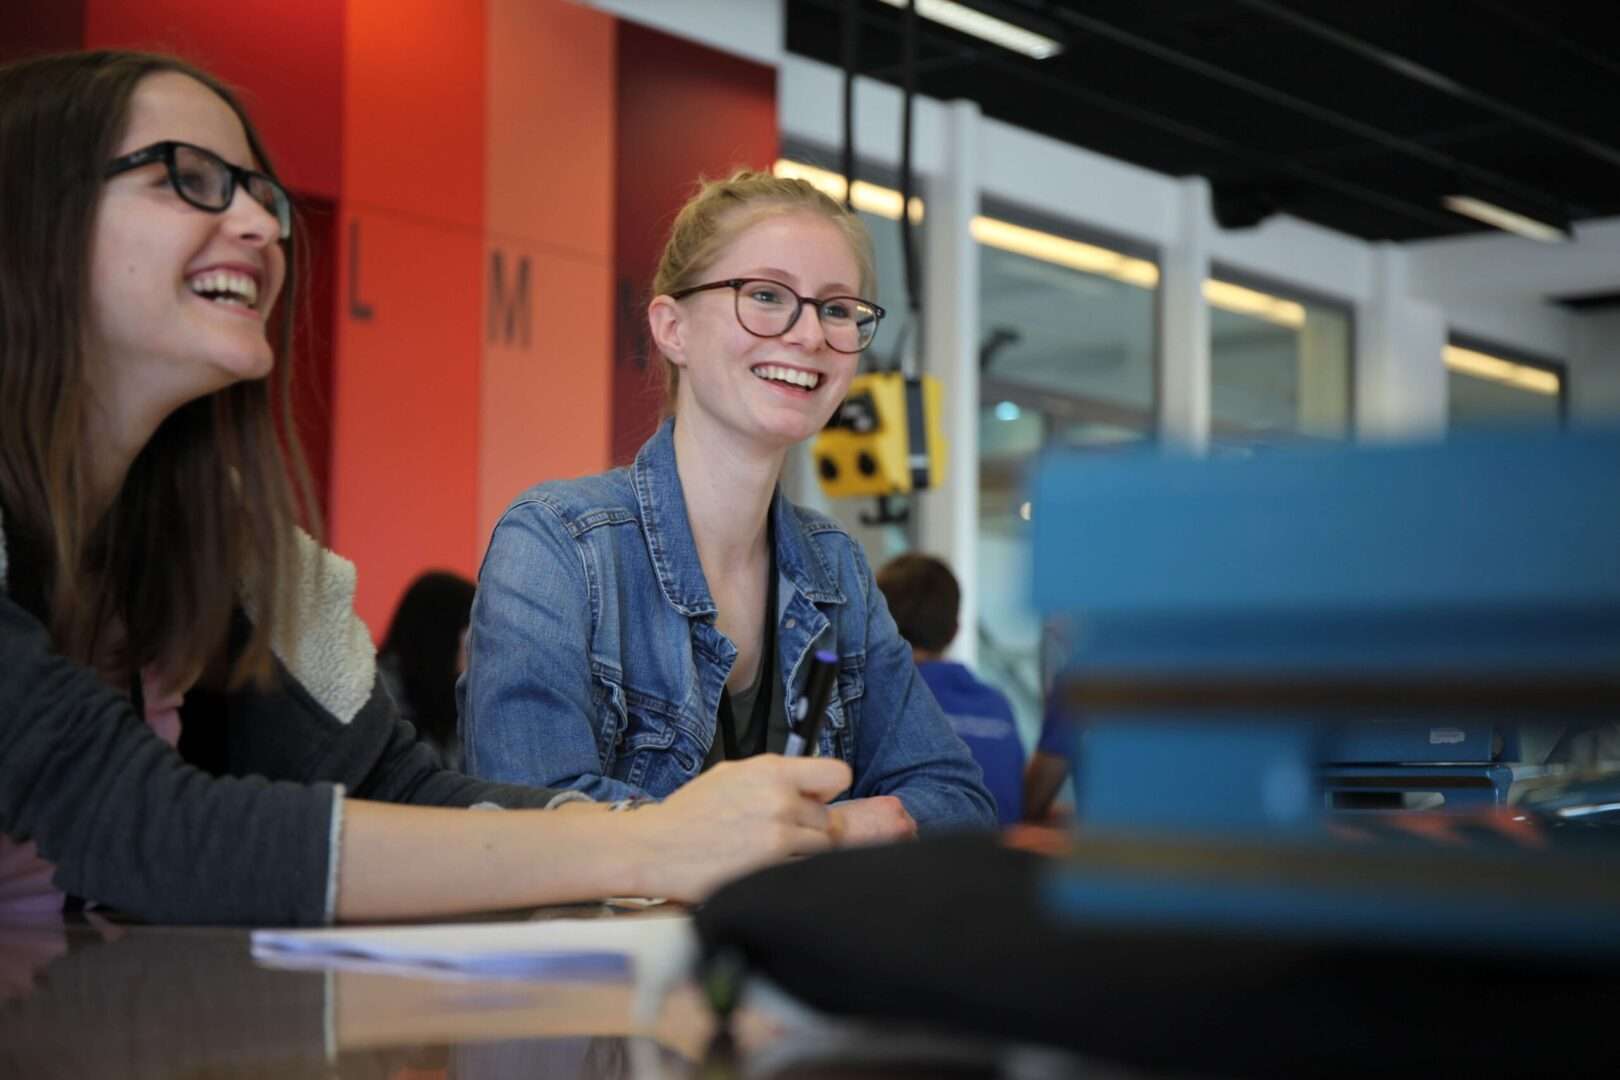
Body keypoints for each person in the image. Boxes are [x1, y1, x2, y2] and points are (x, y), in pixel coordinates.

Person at [0, 50, 851, 927]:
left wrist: (696, 835)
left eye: (259, 193)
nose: (258, 223)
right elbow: (143, 824)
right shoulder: (559, 533)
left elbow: (388, 787)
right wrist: (652, 844)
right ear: (31, 211)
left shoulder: (225, 543)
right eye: (190, 178)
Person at [461, 171, 996, 841]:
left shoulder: (838, 571)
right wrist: (835, 829)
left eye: (837, 309)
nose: (810, 334)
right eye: (766, 296)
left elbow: (957, 800)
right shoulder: (558, 545)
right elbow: (532, 824)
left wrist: (818, 833)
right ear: (672, 328)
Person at [875, 553, 1025, 826]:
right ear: (955, 630)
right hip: (998, 852)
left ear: (877, 623)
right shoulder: (998, 705)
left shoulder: (876, 699)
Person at [378, 570, 476, 770]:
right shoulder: (376, 699)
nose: (477, 645)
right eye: (471, 628)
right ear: (441, 634)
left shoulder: (452, 701)